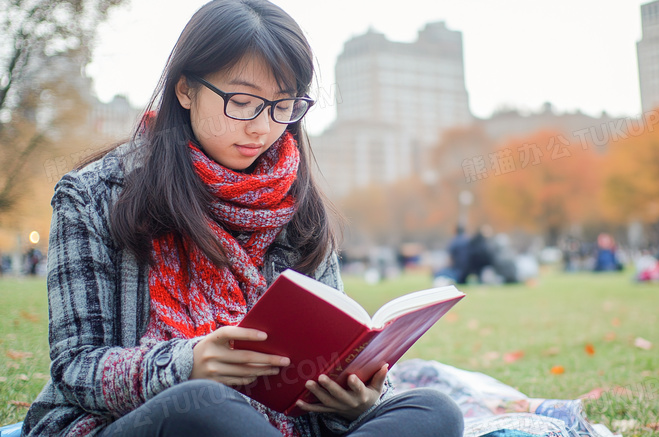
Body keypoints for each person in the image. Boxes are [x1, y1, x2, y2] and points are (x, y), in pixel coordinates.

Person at [22, 2, 463, 437]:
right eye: (243, 101)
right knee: (201, 406)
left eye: (282, 105)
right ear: (185, 90)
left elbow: (326, 363)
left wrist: (355, 402)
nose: (262, 127)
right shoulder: (94, 195)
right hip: (142, 420)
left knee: (434, 410)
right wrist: (186, 364)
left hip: (282, 425)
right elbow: (75, 368)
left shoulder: (297, 206)